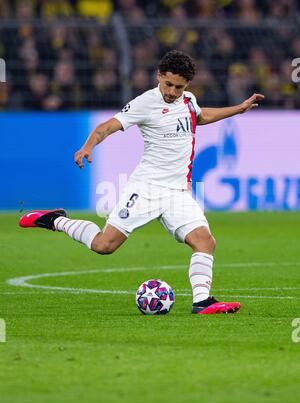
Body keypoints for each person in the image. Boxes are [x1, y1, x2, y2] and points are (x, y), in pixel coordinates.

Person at [19, 50, 264, 314]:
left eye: (178, 87)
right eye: (168, 84)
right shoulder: (145, 103)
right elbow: (107, 127)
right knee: (104, 245)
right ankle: (56, 219)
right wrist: (87, 147)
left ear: (187, 85)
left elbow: (200, 116)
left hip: (178, 192)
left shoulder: (188, 100)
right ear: (159, 76)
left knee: (205, 242)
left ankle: (202, 301)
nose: (171, 91)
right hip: (146, 188)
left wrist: (238, 109)